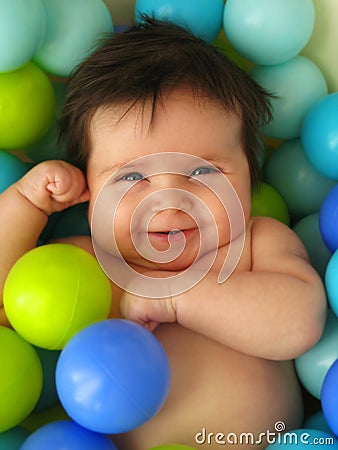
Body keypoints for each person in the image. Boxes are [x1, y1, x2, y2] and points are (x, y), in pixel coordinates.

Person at [0, 18, 327, 449]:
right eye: (133, 177)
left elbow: (299, 324)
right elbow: (9, 306)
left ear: (251, 174)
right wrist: (24, 205)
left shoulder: (255, 245)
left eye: (202, 171)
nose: (170, 198)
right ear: (90, 190)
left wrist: (176, 296)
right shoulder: (87, 267)